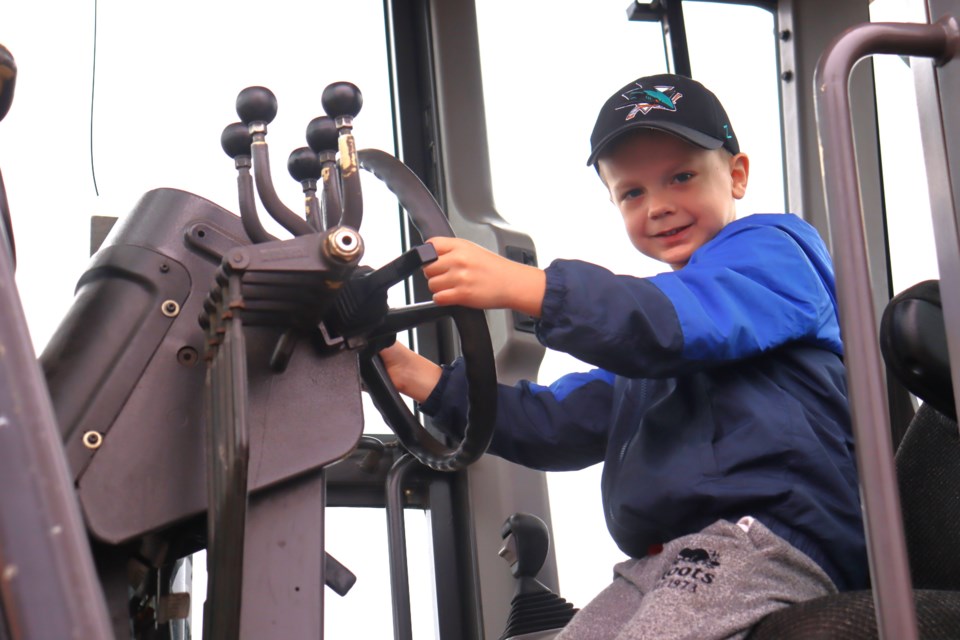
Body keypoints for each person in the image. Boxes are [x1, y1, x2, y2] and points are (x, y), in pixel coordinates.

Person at [378, 73, 868, 639]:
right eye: (632, 192)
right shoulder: (652, 356)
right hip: (664, 558)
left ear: (736, 176)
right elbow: (556, 423)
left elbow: (666, 323)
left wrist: (528, 286)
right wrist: (413, 374)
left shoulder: (775, 257)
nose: (658, 206)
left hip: (768, 537)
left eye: (681, 177)